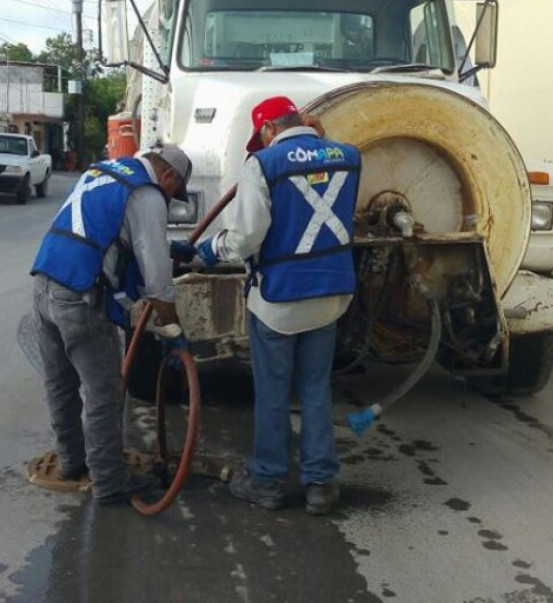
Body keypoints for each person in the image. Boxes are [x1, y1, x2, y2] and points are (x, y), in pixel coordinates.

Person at [176, 96, 361, 515]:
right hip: (332, 294)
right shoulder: (349, 156)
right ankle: (320, 485)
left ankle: (268, 481)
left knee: (273, 392)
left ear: (267, 131)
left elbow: (244, 240)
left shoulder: (264, 164)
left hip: (280, 298)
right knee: (315, 388)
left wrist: (209, 248)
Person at [30, 145, 193, 505]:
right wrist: (174, 331)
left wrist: (172, 248)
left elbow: (103, 232)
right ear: (168, 176)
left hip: (44, 283)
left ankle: (72, 461)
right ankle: (109, 481)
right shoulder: (146, 194)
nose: (169, 199)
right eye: (173, 192)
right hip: (79, 296)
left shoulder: (103, 171)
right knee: (104, 391)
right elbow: (157, 281)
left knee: (61, 384)